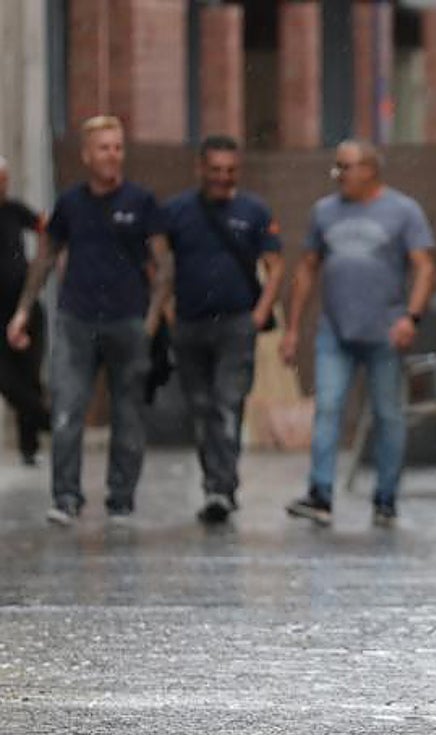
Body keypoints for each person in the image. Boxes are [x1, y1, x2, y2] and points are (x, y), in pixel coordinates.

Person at [6, 115, 171, 525]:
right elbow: (45, 256)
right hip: (76, 320)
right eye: (104, 148)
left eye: (118, 147)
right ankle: (66, 496)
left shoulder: (141, 201)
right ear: (86, 155)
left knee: (128, 414)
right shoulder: (70, 203)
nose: (112, 155)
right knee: (66, 409)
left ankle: (121, 498)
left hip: (128, 320)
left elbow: (164, 264)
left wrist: (151, 320)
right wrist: (23, 310)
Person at [282, 139, 436, 528]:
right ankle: (320, 494)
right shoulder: (324, 211)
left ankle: (385, 499)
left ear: (370, 169)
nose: (338, 174)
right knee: (327, 407)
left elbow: (424, 267)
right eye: (336, 166)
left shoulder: (403, 211)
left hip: (386, 332)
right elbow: (306, 268)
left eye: (345, 167)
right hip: (335, 331)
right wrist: (293, 327)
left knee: (387, 415)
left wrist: (411, 318)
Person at [162, 135, 286, 525]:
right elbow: (159, 263)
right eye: (215, 169)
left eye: (230, 170)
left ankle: (222, 486)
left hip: (235, 324)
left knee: (227, 403)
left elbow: (276, 266)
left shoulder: (254, 210)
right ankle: (215, 483)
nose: (222, 177)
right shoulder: (176, 211)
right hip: (190, 324)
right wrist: (166, 310)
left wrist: (259, 313)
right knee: (201, 408)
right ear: (200, 168)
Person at [0, 155, 51, 465]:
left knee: (29, 373)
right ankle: (47, 419)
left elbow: (45, 226)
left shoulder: (14, 210)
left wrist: (44, 260)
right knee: (8, 381)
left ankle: (29, 447)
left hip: (23, 306)